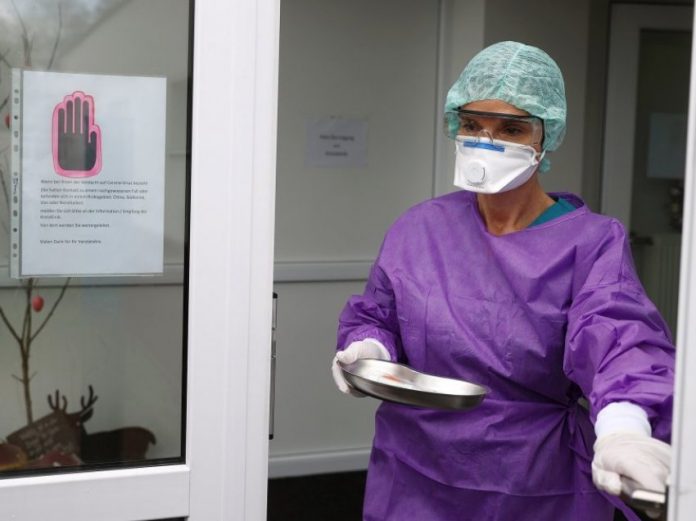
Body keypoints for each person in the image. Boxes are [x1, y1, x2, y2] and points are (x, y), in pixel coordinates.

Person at [331, 41, 674, 521]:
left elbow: (618, 338)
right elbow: (378, 314)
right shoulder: (420, 227)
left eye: (512, 128)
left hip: (533, 477)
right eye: (473, 124)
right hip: (417, 469)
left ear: (546, 136)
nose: (486, 141)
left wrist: (624, 427)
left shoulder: (590, 242)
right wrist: (369, 349)